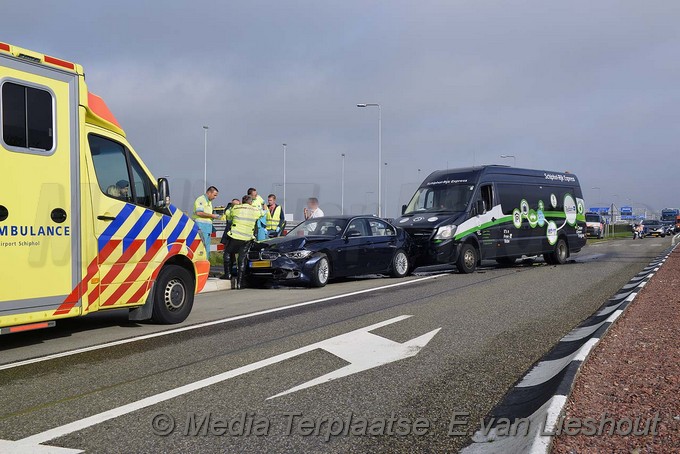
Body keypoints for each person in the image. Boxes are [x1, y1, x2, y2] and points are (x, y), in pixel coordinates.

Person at [220, 195, 264, 288]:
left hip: (235, 236)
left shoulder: (236, 208)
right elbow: (263, 213)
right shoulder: (254, 210)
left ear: (242, 201)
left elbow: (228, 213)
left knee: (227, 253)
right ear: (250, 202)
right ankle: (240, 282)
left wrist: (229, 206)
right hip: (247, 238)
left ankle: (227, 274)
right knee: (242, 258)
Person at [192, 186, 219, 260]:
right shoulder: (201, 200)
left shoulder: (209, 202)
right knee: (202, 248)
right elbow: (199, 213)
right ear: (209, 193)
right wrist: (212, 215)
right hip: (202, 227)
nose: (215, 197)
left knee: (206, 248)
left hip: (207, 228)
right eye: (214, 195)